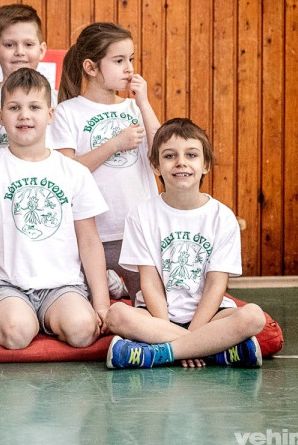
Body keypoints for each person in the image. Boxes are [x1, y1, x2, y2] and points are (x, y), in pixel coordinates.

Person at [0, 68, 110, 350]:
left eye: (34, 107)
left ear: (50, 115)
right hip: (6, 284)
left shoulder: (74, 172)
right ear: (1, 116)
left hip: (62, 285)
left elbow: (89, 241)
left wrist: (101, 304)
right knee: (17, 333)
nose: (24, 115)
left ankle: (45, 319)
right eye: (14, 108)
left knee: (83, 331)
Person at [104, 118, 265, 369]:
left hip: (210, 316)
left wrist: (194, 332)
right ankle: (213, 350)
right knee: (116, 315)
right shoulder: (141, 215)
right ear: (156, 166)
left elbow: (216, 285)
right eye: (170, 156)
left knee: (253, 316)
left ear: (206, 165)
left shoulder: (222, 217)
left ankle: (161, 353)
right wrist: (186, 337)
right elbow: (150, 283)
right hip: (157, 316)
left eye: (191, 155)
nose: (181, 162)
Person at [50, 22, 160, 302]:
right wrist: (114, 144)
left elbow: (162, 154)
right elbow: (65, 173)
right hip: (91, 236)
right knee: (91, 309)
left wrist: (144, 103)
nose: (129, 68)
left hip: (137, 232)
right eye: (119, 60)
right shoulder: (67, 112)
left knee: (150, 305)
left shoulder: (134, 107)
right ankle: (111, 286)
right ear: (91, 67)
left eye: (131, 59)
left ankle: (119, 289)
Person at [0, 4, 47, 155]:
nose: (19, 52)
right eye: (9, 45)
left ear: (41, 50)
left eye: (28, 44)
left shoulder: (57, 101)